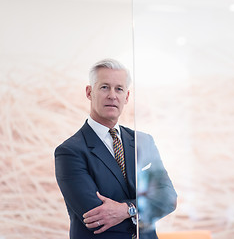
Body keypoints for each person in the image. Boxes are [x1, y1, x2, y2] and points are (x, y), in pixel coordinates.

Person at [55, 58, 177, 239]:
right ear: (89, 92)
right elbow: (96, 216)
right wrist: (144, 207)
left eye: (119, 89)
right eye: (104, 87)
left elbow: (168, 198)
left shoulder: (143, 141)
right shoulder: (70, 151)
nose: (112, 95)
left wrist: (126, 209)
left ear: (126, 97)